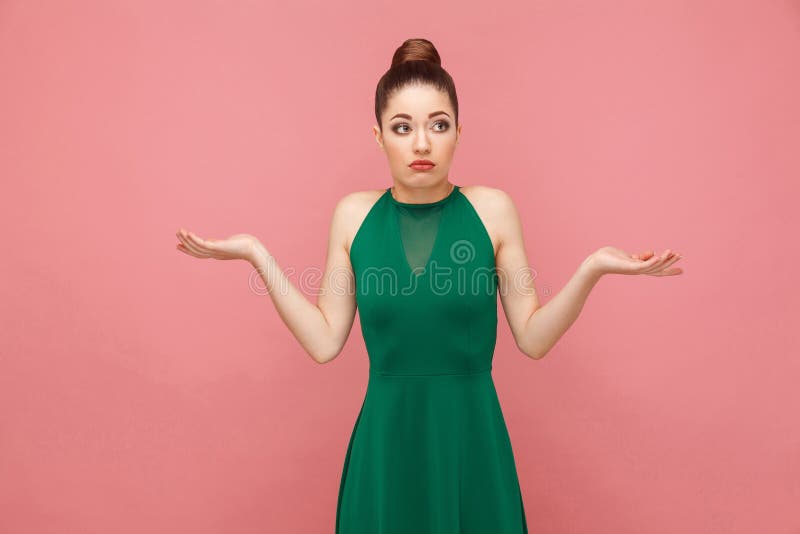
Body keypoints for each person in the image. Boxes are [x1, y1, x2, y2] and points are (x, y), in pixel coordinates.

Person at [175, 37, 683, 534]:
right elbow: (325, 341)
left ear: (459, 131)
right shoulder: (353, 217)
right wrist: (256, 254)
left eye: (438, 125)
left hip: (471, 444)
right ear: (378, 135)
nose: (422, 143)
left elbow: (532, 337)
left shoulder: (493, 210)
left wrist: (593, 267)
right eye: (402, 127)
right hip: (386, 448)